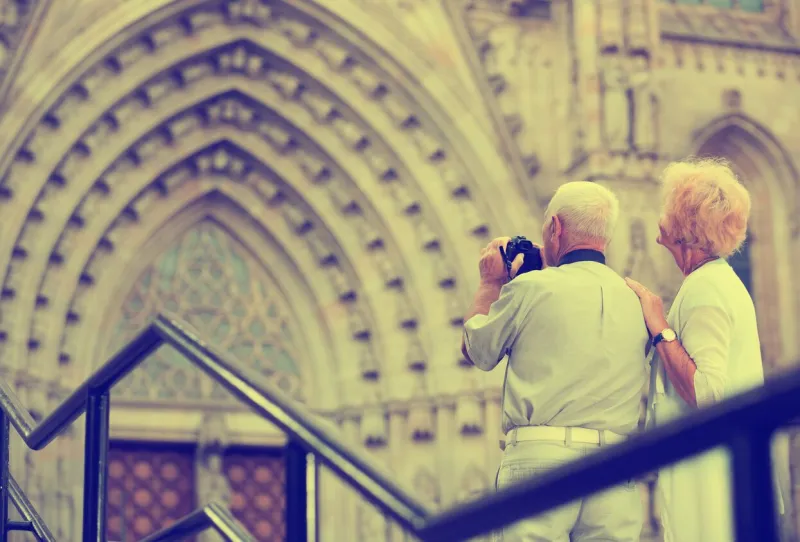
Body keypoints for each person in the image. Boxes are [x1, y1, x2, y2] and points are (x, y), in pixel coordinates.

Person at [461, 181, 649, 542]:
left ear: (555, 228)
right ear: (606, 237)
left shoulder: (531, 289)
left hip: (542, 463)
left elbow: (477, 350)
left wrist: (489, 283)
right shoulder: (637, 299)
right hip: (615, 467)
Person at [625, 158, 784, 542]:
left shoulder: (706, 288)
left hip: (711, 487)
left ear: (686, 226)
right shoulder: (714, 281)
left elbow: (707, 392)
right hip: (718, 475)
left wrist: (659, 326)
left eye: (668, 206)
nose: (660, 215)